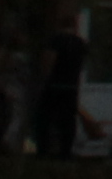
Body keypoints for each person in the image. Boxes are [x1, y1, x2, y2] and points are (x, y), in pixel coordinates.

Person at [36, 13, 89, 163]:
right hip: (71, 86)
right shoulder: (80, 43)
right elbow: (83, 65)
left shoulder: (55, 41)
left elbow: (48, 62)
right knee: (68, 120)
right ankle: (65, 151)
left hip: (54, 84)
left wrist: (44, 78)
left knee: (45, 117)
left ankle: (43, 150)